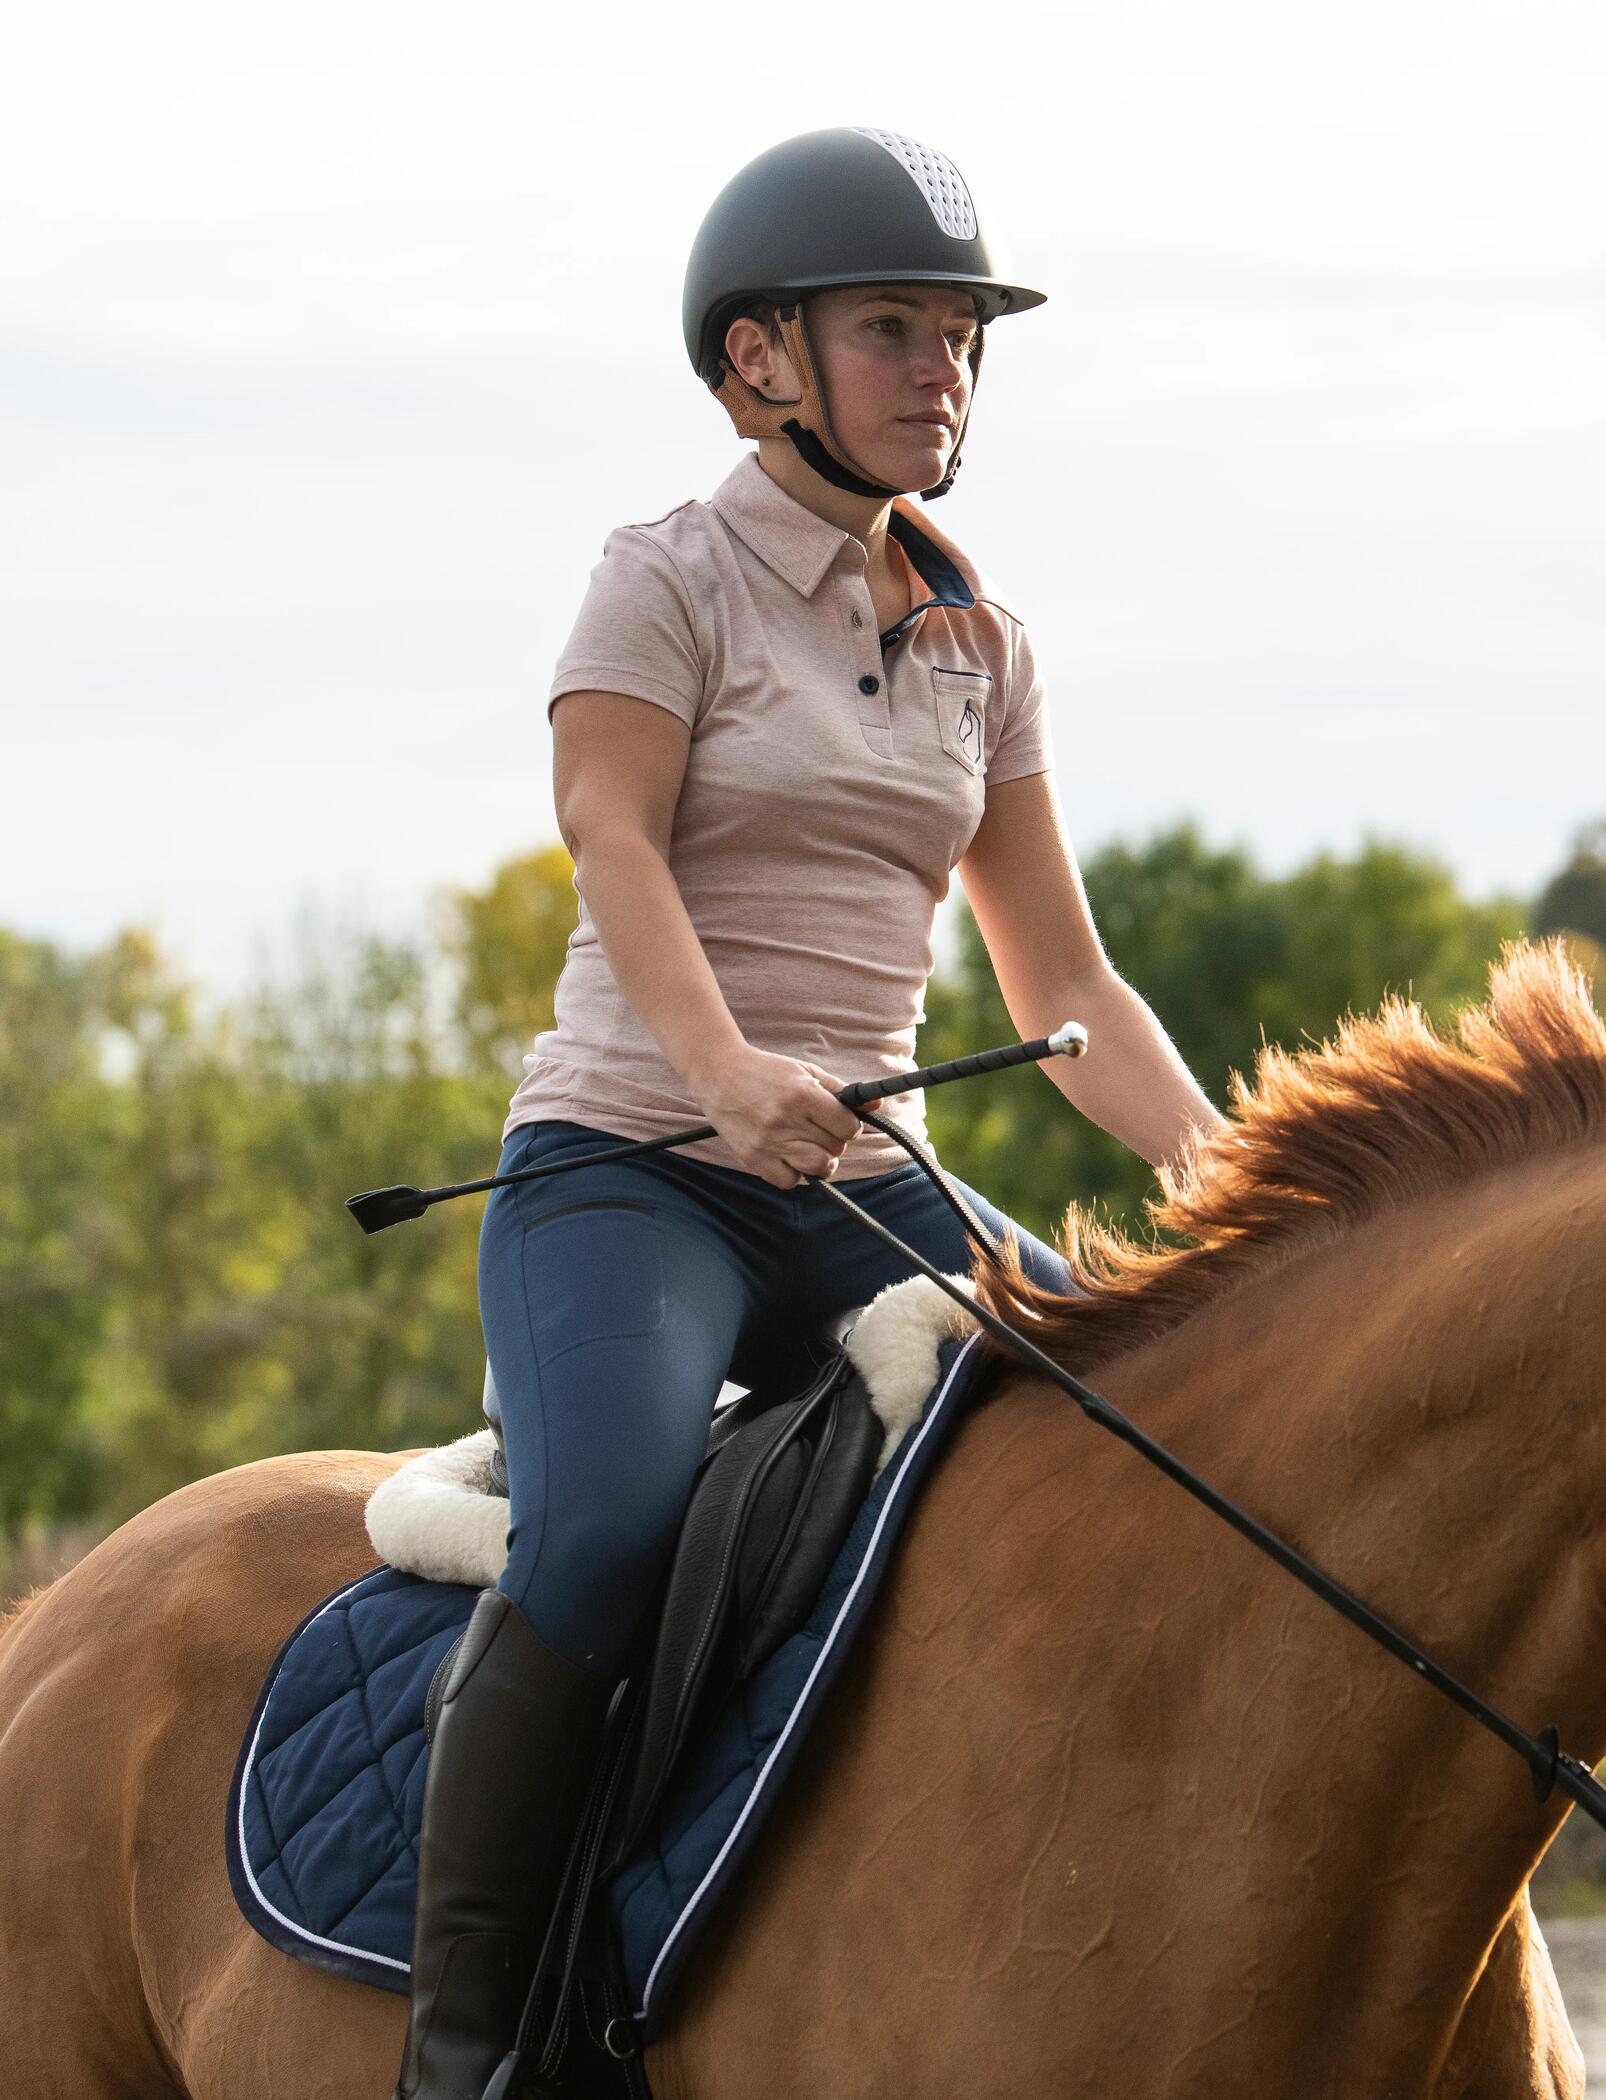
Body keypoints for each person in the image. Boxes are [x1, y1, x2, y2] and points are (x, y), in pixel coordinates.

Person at [391, 126, 1226, 2099]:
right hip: (636, 1175)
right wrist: (720, 1075)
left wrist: (1247, 1182)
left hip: (867, 1191)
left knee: (1155, 1447)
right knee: (601, 1531)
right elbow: (611, 834)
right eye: (894, 330)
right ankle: (469, 2053)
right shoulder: (660, 578)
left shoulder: (978, 643)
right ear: (760, 361)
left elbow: (1066, 988)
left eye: (963, 337)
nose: (944, 369)